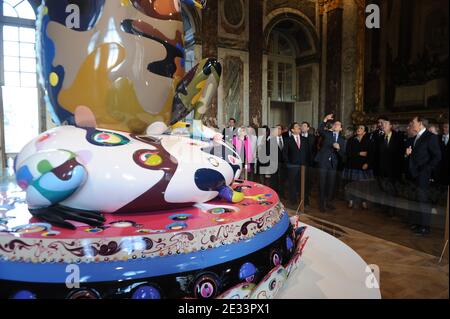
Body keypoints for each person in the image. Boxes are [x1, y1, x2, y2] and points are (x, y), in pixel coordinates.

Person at [405, 117, 441, 236]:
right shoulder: (415, 137)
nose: (411, 124)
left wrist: (426, 170)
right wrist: (407, 155)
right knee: (416, 200)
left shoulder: (431, 137)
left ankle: (425, 227)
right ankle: (417, 223)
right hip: (413, 174)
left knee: (423, 201)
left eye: (413, 122)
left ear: (420, 123)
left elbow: (437, 156)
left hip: (423, 175)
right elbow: (414, 156)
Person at [315, 114, 346, 212]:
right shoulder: (327, 134)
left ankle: (328, 202)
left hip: (333, 164)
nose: (336, 125)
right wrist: (325, 119)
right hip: (323, 161)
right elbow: (319, 129)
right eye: (335, 124)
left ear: (341, 129)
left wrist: (338, 148)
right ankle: (321, 204)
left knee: (331, 184)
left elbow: (343, 154)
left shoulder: (342, 140)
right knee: (322, 183)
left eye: (338, 125)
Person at [343, 125, 373, 209]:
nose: (358, 129)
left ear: (365, 132)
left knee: (363, 185)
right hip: (352, 166)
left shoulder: (368, 141)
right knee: (351, 184)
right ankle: (351, 201)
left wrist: (367, 163)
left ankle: (363, 202)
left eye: (361, 128)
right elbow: (348, 153)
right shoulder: (351, 140)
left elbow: (370, 154)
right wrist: (359, 153)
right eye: (358, 128)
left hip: (363, 167)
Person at [283, 122, 311, 207]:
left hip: (303, 166)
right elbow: (285, 154)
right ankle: (293, 201)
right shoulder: (287, 140)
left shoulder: (305, 140)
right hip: (292, 166)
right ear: (292, 130)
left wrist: (307, 164)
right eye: (296, 127)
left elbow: (308, 153)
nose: (299, 127)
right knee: (293, 184)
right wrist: (288, 164)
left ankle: (304, 201)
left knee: (304, 184)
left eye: (299, 126)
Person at [376, 119, 405, 197]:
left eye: (385, 123)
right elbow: (377, 155)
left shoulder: (398, 137)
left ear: (391, 126)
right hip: (382, 171)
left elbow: (401, 154)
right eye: (382, 123)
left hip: (394, 171)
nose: (383, 125)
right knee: (382, 193)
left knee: (394, 194)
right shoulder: (379, 138)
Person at [268, 124, 287, 198]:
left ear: (282, 130)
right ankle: (274, 194)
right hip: (274, 163)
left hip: (283, 163)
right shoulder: (271, 140)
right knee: (274, 179)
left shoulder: (286, 139)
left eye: (279, 129)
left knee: (283, 179)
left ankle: (282, 194)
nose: (277, 130)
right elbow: (268, 153)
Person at [300, 122, 316, 207]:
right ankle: (303, 200)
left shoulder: (312, 138)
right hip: (300, 163)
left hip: (310, 163)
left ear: (308, 128)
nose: (302, 127)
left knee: (308, 182)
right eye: (301, 126)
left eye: (304, 126)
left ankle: (306, 198)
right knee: (301, 182)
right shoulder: (298, 137)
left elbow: (314, 150)